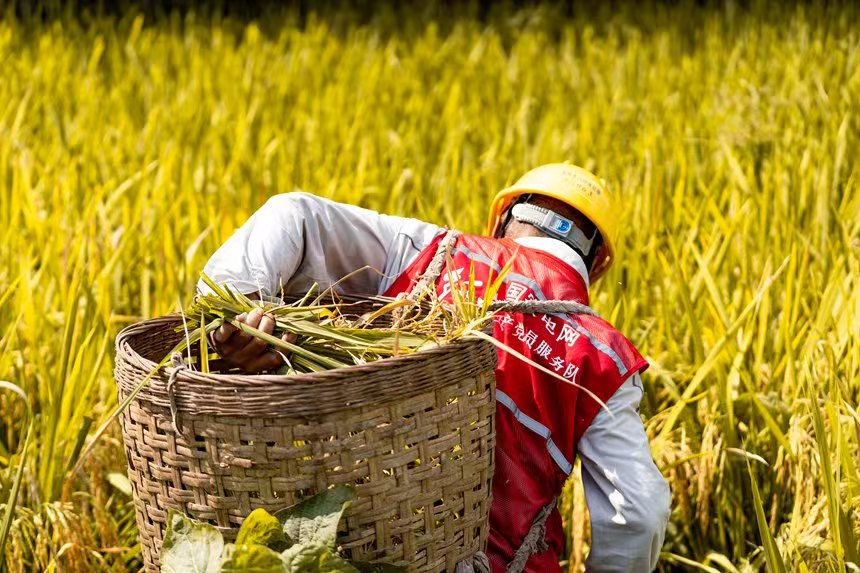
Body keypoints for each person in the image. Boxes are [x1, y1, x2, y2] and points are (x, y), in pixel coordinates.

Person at [199, 163, 671, 572]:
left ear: (504, 218)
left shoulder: (437, 252)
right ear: (597, 263)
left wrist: (236, 319)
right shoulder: (603, 357)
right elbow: (638, 514)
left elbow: (295, 214)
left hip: (370, 550)